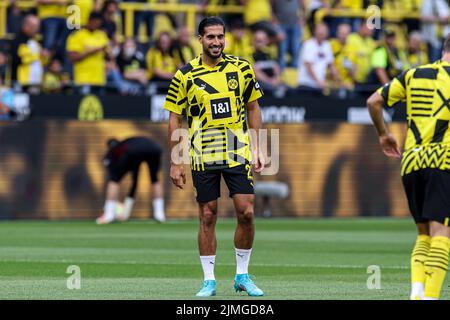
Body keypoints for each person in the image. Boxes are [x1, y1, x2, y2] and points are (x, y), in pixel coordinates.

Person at [164, 16, 265, 297]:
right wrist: (176, 160)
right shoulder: (184, 75)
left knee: (246, 212)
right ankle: (209, 280)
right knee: (208, 214)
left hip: (237, 150)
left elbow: (254, 109)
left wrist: (258, 147)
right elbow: (175, 119)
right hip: (202, 153)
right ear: (200, 40)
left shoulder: (242, 69)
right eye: (211, 37)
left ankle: (242, 275)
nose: (217, 42)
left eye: (221, 36)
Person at [367, 34, 450, 300]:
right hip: (443, 160)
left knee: (423, 233)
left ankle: (416, 293)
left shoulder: (413, 74)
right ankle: (431, 297)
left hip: (411, 161)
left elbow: (373, 102)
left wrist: (384, 134)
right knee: (442, 232)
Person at [97, 137, 166, 225]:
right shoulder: (129, 144)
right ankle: (160, 215)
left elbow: (112, 173)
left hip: (135, 150)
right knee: (155, 179)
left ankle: (109, 214)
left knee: (113, 180)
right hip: (155, 148)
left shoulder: (117, 150)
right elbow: (135, 181)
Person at [66, 12, 111, 95]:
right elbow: (73, 57)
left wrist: (106, 52)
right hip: (83, 79)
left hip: (99, 80)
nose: (97, 26)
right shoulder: (77, 36)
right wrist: (92, 51)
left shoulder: (102, 35)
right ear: (90, 21)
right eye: (96, 23)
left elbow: (109, 57)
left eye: (99, 24)